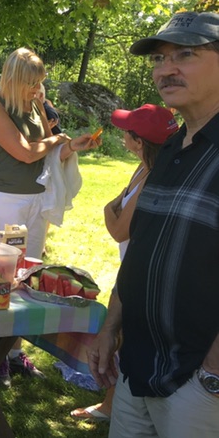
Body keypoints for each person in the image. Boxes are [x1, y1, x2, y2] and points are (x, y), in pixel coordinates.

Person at [88, 11, 219, 437]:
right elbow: (140, 250)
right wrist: (111, 328)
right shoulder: (170, 150)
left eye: (185, 55)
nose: (166, 69)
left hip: (196, 384)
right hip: (135, 368)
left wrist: (211, 377)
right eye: (159, 59)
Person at [0, 47, 100, 387]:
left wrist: (71, 147)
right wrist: (55, 140)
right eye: (32, 84)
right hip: (6, 201)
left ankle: (14, 351)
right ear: (14, 78)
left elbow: (47, 154)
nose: (37, 90)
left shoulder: (33, 104)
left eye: (39, 83)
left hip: (36, 199)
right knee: (1, 278)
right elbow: (24, 151)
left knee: (27, 276)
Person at [71, 103, 178, 422]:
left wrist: (108, 209)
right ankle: (112, 403)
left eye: (127, 132)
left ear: (139, 142)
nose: (122, 136)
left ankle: (118, 407)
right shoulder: (144, 167)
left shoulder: (152, 176)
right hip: (132, 264)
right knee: (121, 334)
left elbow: (119, 229)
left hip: (141, 270)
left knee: (126, 334)